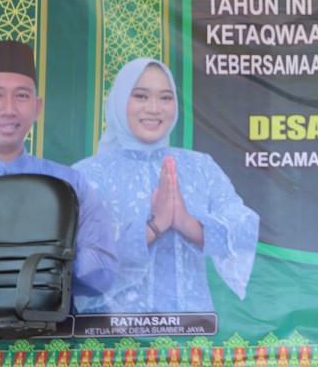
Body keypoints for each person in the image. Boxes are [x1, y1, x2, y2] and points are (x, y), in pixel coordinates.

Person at [72, 58, 259, 314]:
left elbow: (244, 228)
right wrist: (155, 226)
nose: (154, 109)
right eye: (140, 96)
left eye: (165, 98)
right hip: (111, 333)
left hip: (191, 331)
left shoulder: (200, 167)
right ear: (119, 101)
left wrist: (188, 224)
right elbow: (82, 263)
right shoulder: (87, 175)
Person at [0, 39, 117, 300]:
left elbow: (103, 272)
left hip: (48, 324)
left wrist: (50, 261)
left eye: (21, 96)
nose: (9, 109)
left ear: (37, 108)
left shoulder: (69, 185)